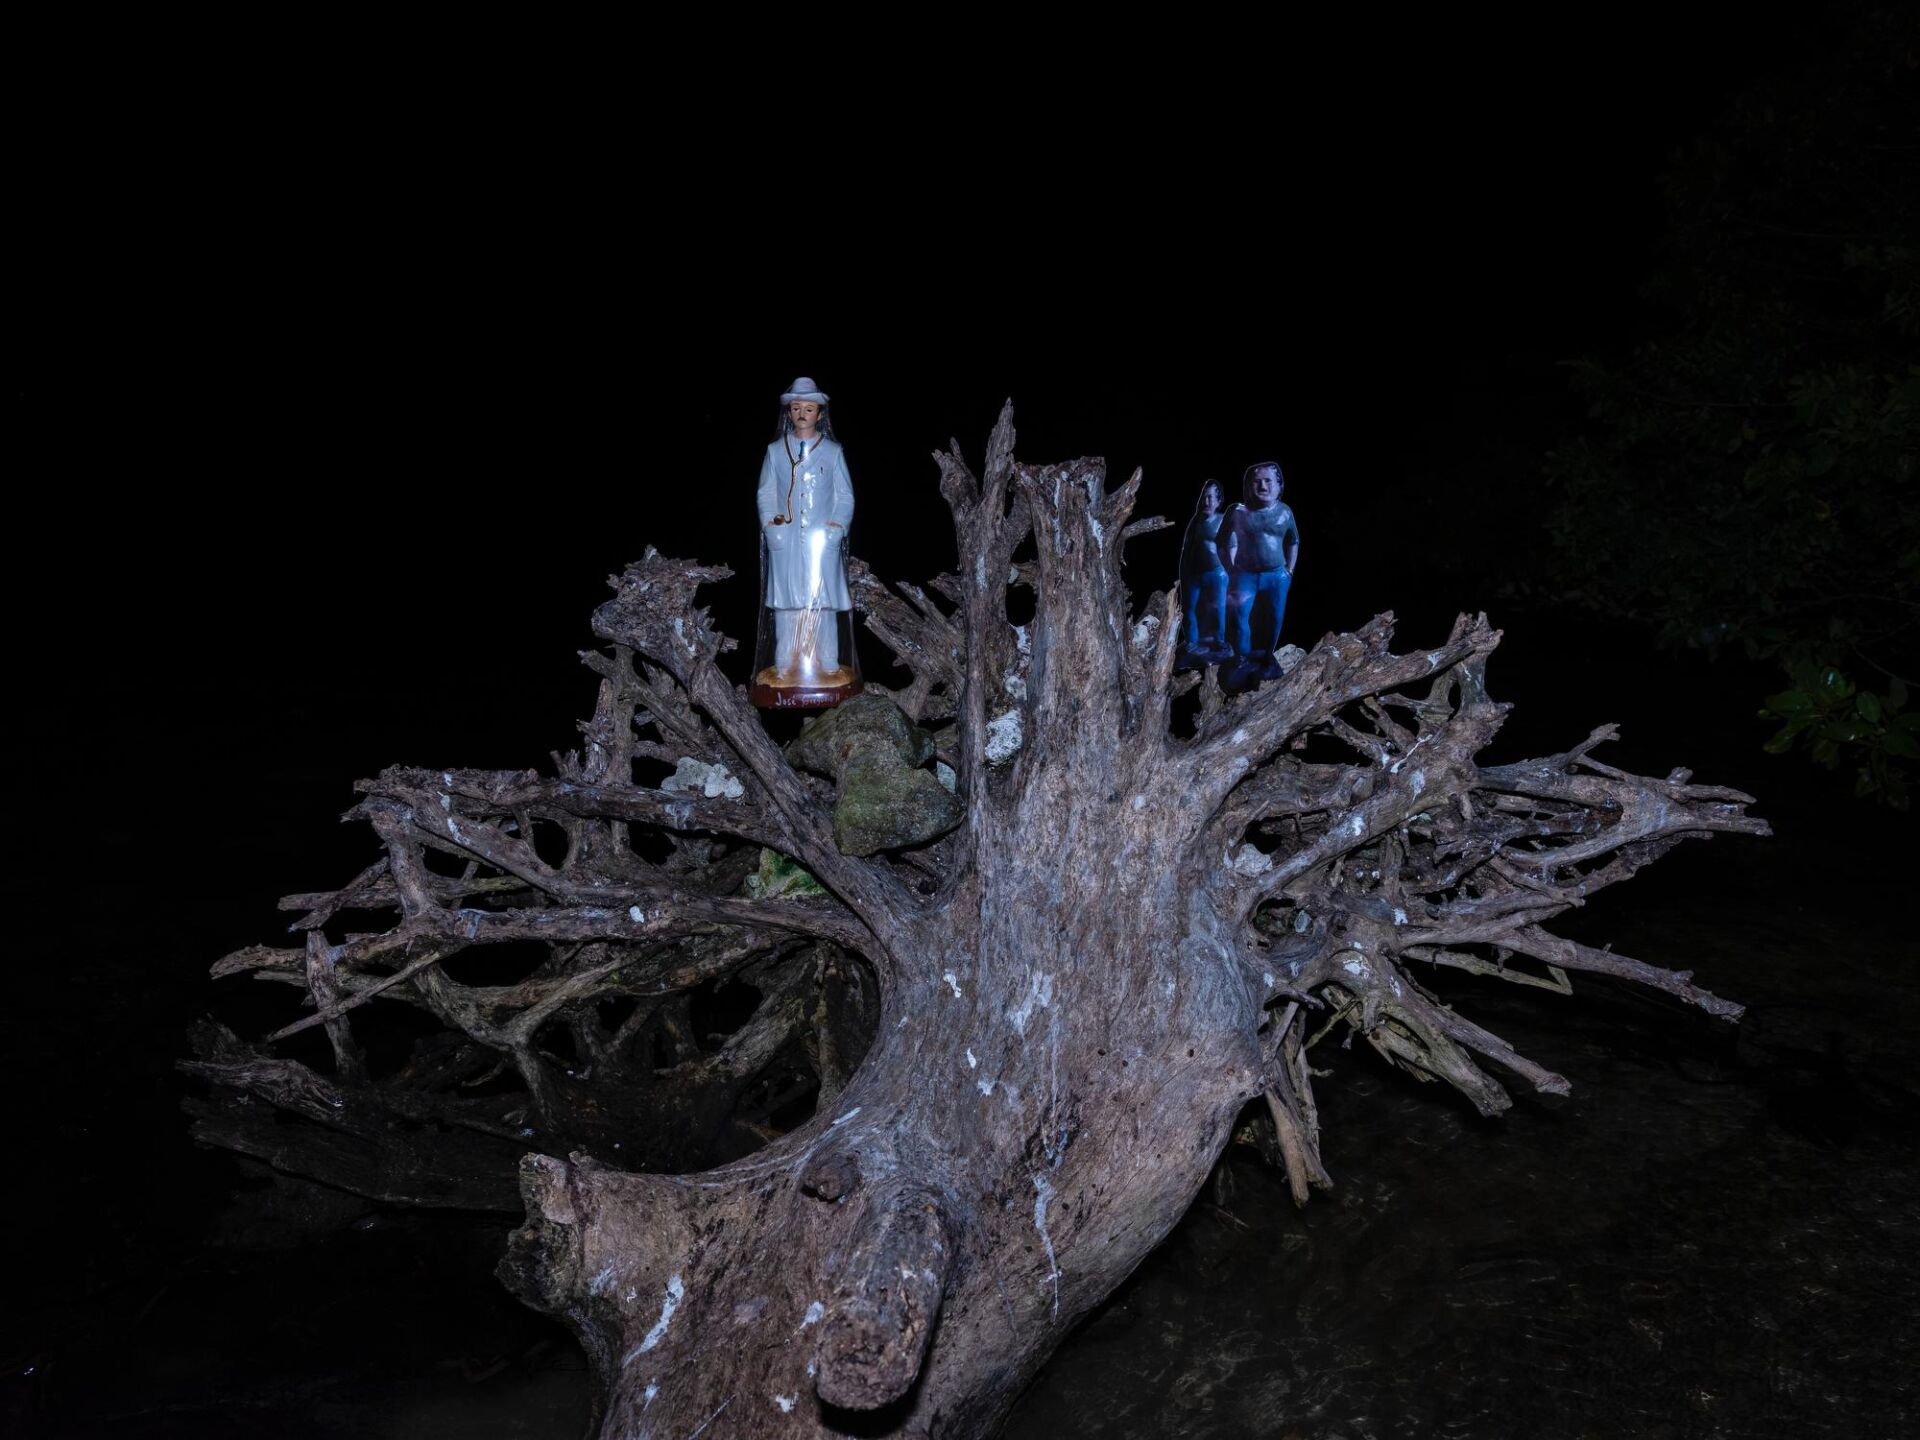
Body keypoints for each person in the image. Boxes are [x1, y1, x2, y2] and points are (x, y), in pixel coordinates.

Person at [753, 377, 857, 702]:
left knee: (822, 601)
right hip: (786, 542)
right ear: (788, 412)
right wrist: (771, 524)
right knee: (787, 602)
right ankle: (784, 663)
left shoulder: (832, 452)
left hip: (820, 543)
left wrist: (836, 527)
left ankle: (827, 662)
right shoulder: (775, 451)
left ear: (819, 414)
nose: (802, 413)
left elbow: (845, 496)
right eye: (796, 408)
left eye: (808, 409)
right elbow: (765, 492)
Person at [1223, 461, 1300, 682]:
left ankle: (1266, 659)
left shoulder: (1285, 512)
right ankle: (1242, 659)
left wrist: (1289, 570)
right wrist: (1229, 567)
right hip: (1245, 575)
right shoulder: (1237, 512)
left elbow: (1294, 540)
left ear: (1279, 485)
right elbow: (1224, 541)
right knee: (1239, 617)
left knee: (1274, 619)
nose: (1263, 486)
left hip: (1277, 576)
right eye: (1256, 482)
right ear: (1248, 486)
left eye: (1268, 481)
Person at [1177, 479, 1232, 667]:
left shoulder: (1223, 520)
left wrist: (1230, 570)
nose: (1207, 501)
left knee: (1219, 609)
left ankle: (1220, 642)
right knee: (1188, 608)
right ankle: (1191, 643)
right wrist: (1183, 573)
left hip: (1217, 573)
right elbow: (1186, 548)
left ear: (1219, 501)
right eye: (1205, 497)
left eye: (1212, 498)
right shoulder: (1195, 521)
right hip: (1193, 575)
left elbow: (1233, 547)